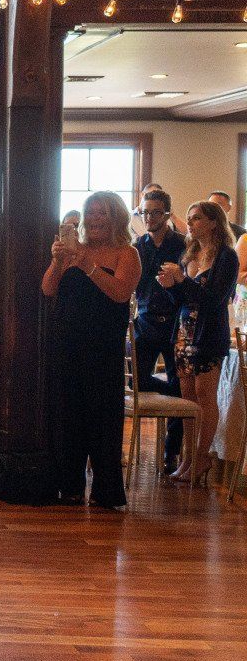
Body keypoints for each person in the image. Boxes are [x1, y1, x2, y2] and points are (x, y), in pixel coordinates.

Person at [42, 192, 140, 510]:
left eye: (103, 213)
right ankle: (68, 485)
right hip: (66, 346)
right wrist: (59, 262)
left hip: (102, 349)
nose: (95, 218)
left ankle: (105, 491)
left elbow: (120, 293)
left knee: (102, 418)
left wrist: (89, 266)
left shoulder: (127, 254)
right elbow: (48, 288)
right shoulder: (74, 250)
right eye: (90, 212)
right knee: (67, 416)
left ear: (116, 218)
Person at [161, 201, 238, 486]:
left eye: (196, 219)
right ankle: (188, 458)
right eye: (190, 218)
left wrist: (182, 280)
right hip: (183, 332)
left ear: (214, 222)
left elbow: (213, 300)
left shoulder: (226, 257)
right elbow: (182, 300)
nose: (190, 224)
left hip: (209, 334)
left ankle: (202, 455)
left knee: (205, 396)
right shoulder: (188, 253)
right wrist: (170, 286)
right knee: (188, 400)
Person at [131, 188, 187, 469]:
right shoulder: (138, 245)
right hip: (144, 322)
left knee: (180, 383)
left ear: (166, 214)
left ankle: (171, 451)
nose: (149, 217)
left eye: (155, 212)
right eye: (144, 212)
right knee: (135, 381)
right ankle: (172, 391)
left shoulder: (182, 245)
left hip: (175, 323)